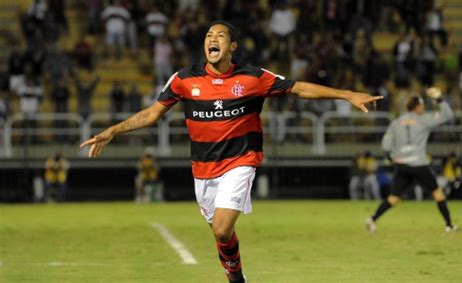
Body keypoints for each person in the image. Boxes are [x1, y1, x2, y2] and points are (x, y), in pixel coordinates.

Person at [81, 20, 382, 283]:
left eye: (220, 36)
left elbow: (298, 88)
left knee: (223, 228)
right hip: (203, 169)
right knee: (219, 233)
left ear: (232, 46)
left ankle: (235, 278)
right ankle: (236, 274)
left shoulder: (252, 77)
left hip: (241, 161)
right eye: (209, 35)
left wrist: (347, 94)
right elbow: (151, 114)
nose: (212, 39)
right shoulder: (185, 79)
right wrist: (112, 131)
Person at [366, 94, 457, 234]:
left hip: (401, 165)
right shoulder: (424, 120)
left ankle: (372, 219)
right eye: (422, 105)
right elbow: (448, 115)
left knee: (393, 198)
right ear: (418, 106)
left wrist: (390, 158)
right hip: (418, 164)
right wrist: (439, 99)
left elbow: (385, 146)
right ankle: (449, 225)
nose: (423, 108)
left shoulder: (396, 122)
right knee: (438, 193)